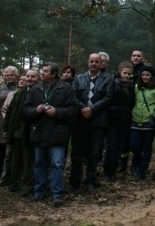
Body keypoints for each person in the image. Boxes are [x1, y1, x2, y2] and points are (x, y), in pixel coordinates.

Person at [23, 62, 79, 207]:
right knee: (39, 163)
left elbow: (73, 109)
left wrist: (57, 112)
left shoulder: (66, 88)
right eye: (41, 71)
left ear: (54, 74)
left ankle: (57, 194)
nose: (42, 73)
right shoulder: (35, 89)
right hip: (39, 131)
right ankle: (39, 192)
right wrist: (36, 110)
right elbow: (25, 110)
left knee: (57, 164)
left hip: (58, 133)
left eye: (45, 71)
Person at [70, 53, 114, 192]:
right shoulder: (78, 78)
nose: (94, 64)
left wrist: (92, 109)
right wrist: (83, 108)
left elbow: (108, 98)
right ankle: (74, 181)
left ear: (101, 63)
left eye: (97, 61)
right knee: (76, 153)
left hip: (98, 121)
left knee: (94, 153)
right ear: (88, 62)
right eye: (92, 61)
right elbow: (73, 96)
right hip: (80, 120)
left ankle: (90, 181)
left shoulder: (108, 79)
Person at [129, 64, 155, 181]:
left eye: (147, 75)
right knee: (134, 146)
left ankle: (141, 170)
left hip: (149, 123)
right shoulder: (136, 87)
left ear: (152, 76)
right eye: (143, 75)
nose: (145, 77)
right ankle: (136, 164)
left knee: (146, 147)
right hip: (135, 121)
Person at [1, 70, 38, 194]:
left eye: (33, 76)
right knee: (14, 158)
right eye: (28, 76)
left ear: (37, 78)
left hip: (31, 131)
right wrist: (7, 129)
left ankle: (29, 184)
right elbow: (10, 113)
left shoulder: (39, 92)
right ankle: (13, 182)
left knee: (29, 159)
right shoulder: (19, 93)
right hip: (17, 131)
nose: (29, 78)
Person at [104, 61, 134, 182]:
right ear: (120, 72)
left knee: (119, 147)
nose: (126, 76)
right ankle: (107, 171)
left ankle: (114, 171)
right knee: (111, 146)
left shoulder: (132, 86)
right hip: (113, 119)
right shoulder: (113, 83)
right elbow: (109, 100)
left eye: (129, 74)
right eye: (125, 73)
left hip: (125, 120)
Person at [0, 65, 19, 182]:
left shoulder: (19, 87)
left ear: (16, 76)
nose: (9, 77)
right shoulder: (2, 88)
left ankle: (11, 173)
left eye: (12, 75)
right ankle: (0, 171)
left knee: (12, 148)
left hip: (14, 121)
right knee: (3, 147)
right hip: (2, 121)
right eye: (7, 75)